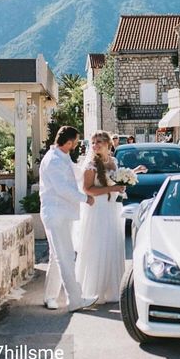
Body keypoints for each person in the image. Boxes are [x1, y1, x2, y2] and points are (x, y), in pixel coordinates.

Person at [39, 126, 98, 312]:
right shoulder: (53, 160)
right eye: (76, 141)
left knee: (57, 255)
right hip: (56, 213)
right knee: (65, 256)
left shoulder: (62, 157)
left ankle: (50, 296)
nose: (76, 145)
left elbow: (78, 173)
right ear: (70, 142)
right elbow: (62, 188)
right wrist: (85, 198)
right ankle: (75, 300)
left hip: (62, 212)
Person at [75, 130, 128, 304]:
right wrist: (111, 189)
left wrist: (122, 185)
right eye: (93, 142)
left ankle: (112, 289)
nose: (96, 145)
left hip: (112, 209)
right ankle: (94, 290)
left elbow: (117, 181)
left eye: (99, 142)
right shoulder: (90, 164)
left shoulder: (114, 161)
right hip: (97, 210)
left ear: (108, 144)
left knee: (112, 246)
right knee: (98, 247)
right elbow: (87, 189)